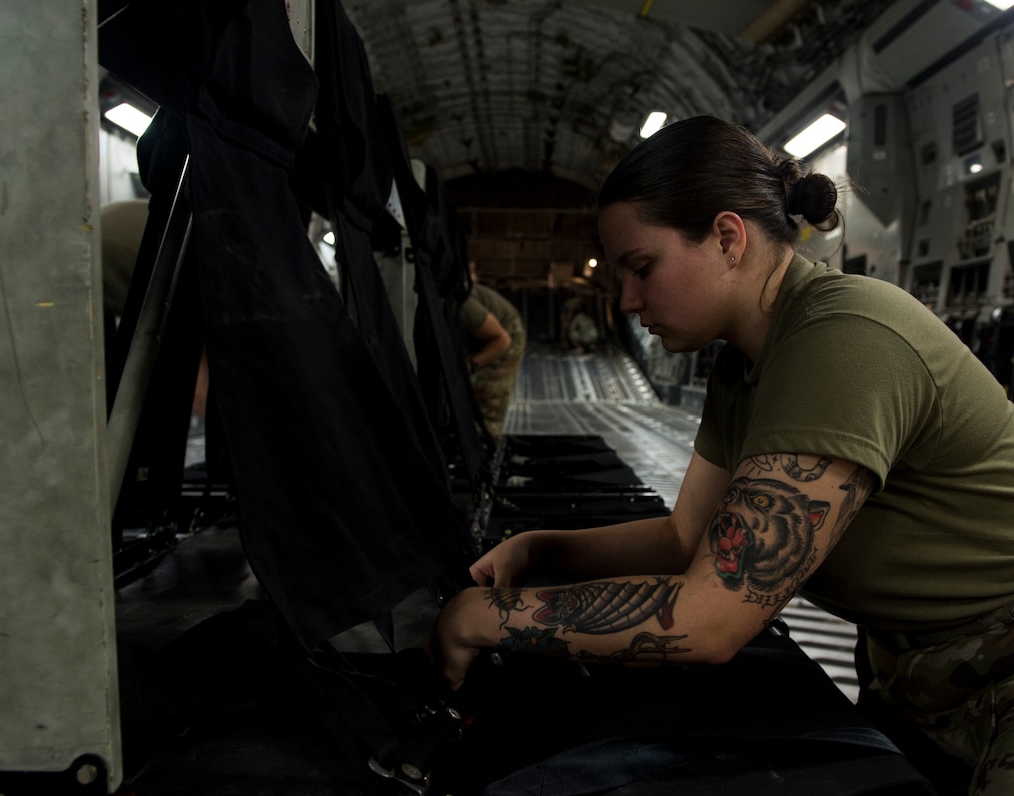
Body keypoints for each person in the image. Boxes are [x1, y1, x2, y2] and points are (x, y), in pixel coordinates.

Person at [429, 115, 1014, 793]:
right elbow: (688, 538)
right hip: (922, 671)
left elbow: (712, 617)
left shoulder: (844, 337)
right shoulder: (746, 365)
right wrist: (542, 548)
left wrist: (488, 620)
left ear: (728, 238)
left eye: (642, 268)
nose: (627, 300)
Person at [460, 277, 527, 437]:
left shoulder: (464, 305)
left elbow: (502, 340)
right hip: (477, 337)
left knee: (487, 401)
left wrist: (471, 366)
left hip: (505, 337)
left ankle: (487, 441)